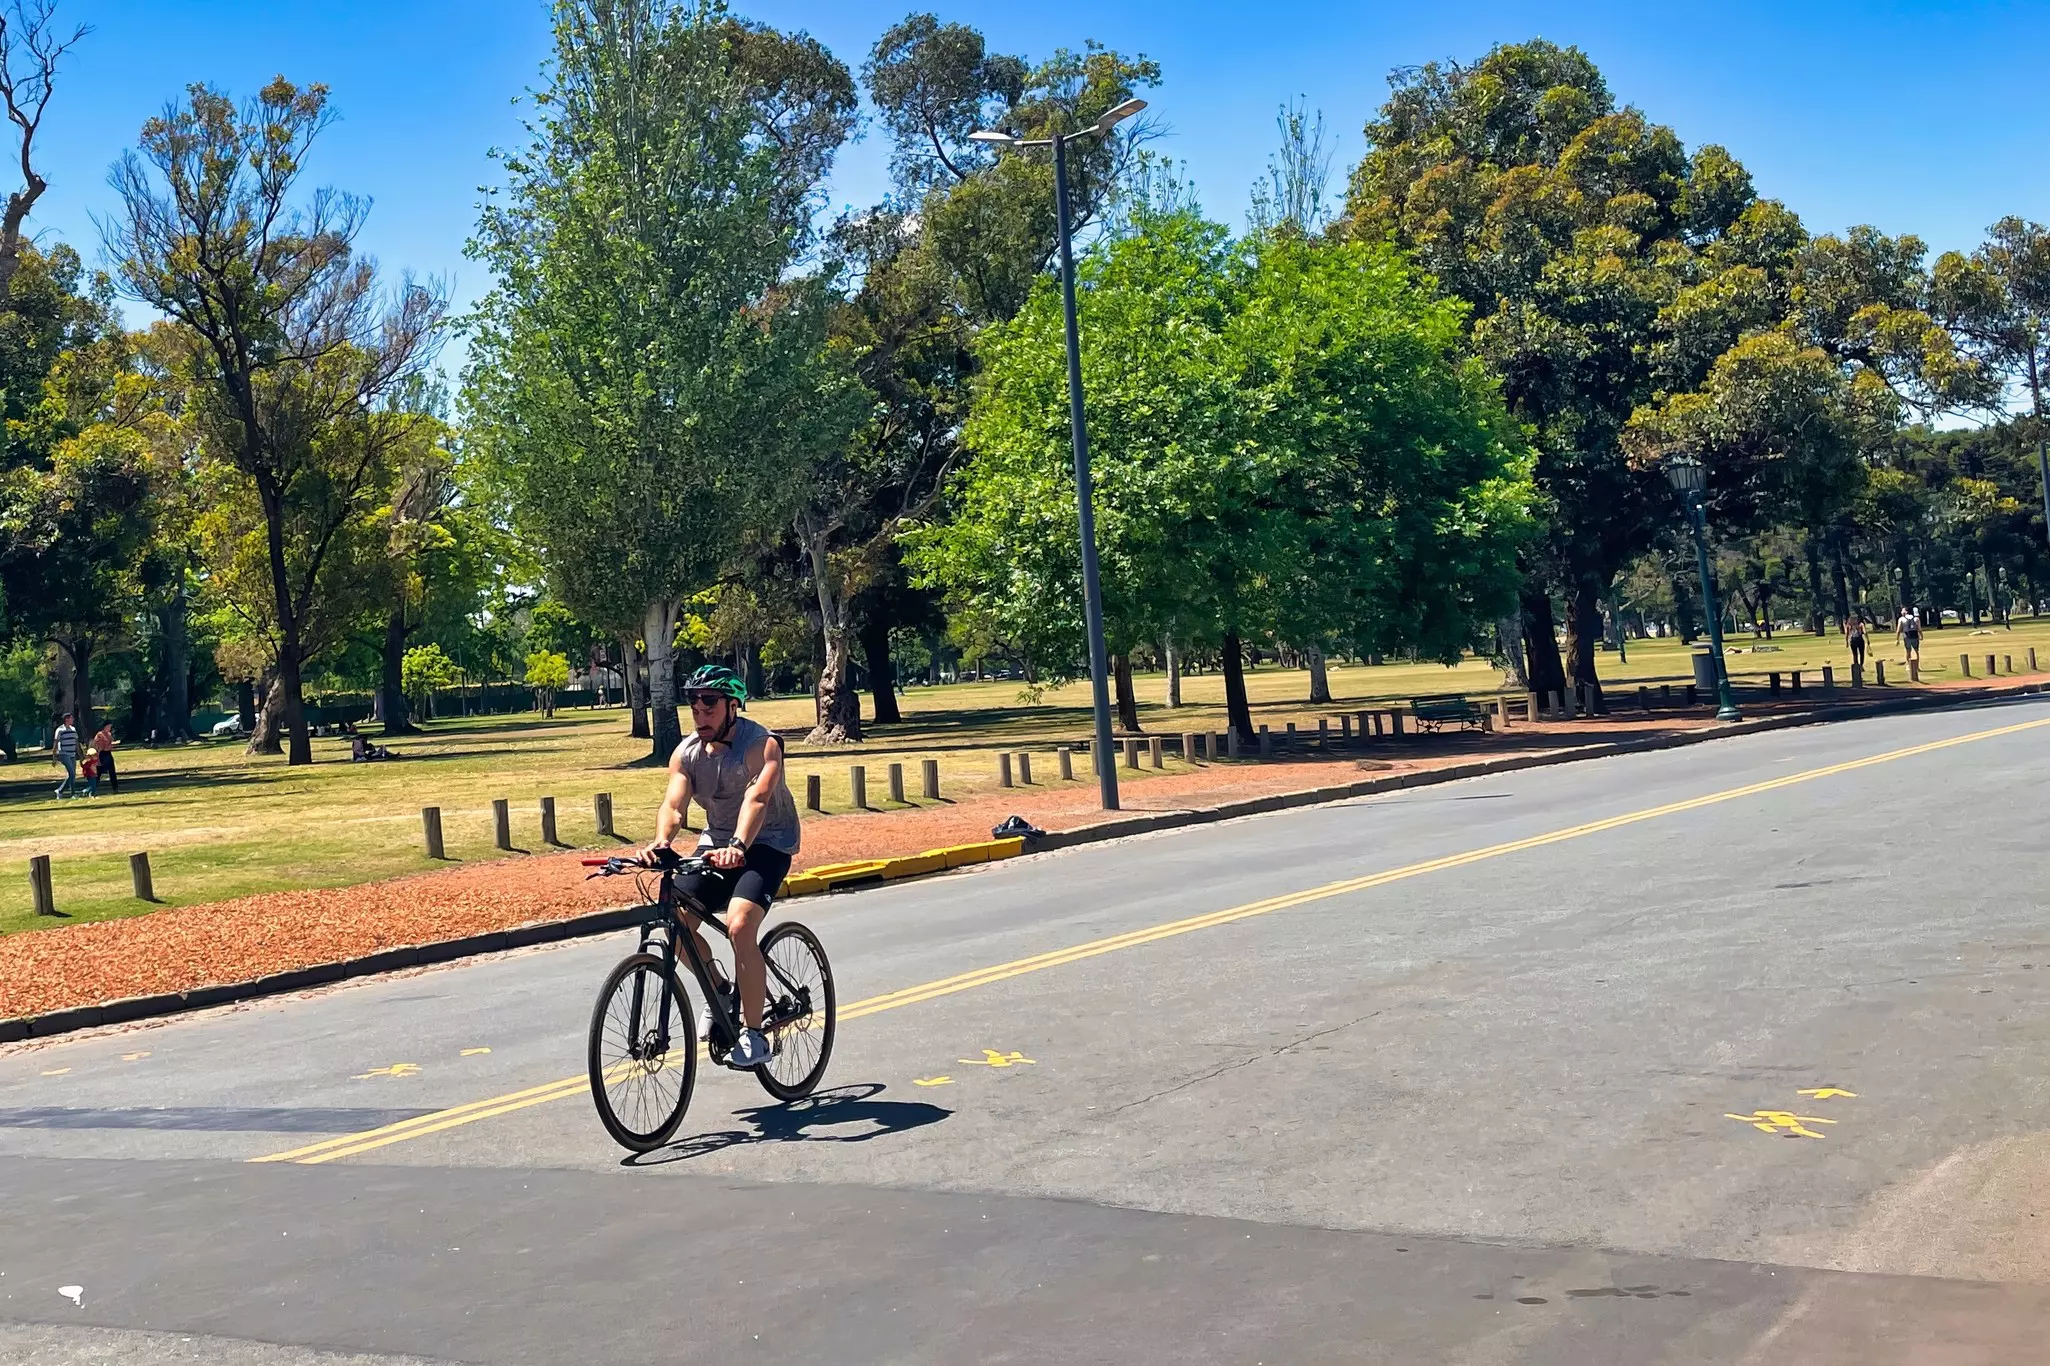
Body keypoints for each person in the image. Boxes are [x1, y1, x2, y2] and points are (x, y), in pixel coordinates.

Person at [641, 663, 801, 1070]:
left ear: (733, 706)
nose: (700, 715)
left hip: (767, 842)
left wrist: (738, 845)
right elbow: (674, 804)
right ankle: (720, 990)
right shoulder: (687, 752)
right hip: (716, 845)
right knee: (675, 923)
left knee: (740, 924)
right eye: (694, 707)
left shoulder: (761, 744)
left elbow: (758, 801)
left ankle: (753, 1033)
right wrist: (662, 842)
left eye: (709, 706)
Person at [51, 712, 78, 799]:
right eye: (71, 718)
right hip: (64, 753)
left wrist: (81, 755)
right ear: (66, 719)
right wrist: (54, 757)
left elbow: (76, 743)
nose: (73, 719)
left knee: (72, 775)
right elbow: (55, 743)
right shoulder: (60, 730)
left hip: (72, 754)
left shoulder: (73, 729)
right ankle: (71, 793)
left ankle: (62, 791)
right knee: (72, 773)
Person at [91, 722, 117, 794]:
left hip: (108, 753)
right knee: (99, 772)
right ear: (105, 726)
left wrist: (112, 745)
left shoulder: (109, 734)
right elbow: (99, 746)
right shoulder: (100, 735)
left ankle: (115, 787)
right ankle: (93, 788)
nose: (110, 728)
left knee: (112, 771)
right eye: (108, 726)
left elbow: (111, 741)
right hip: (102, 754)